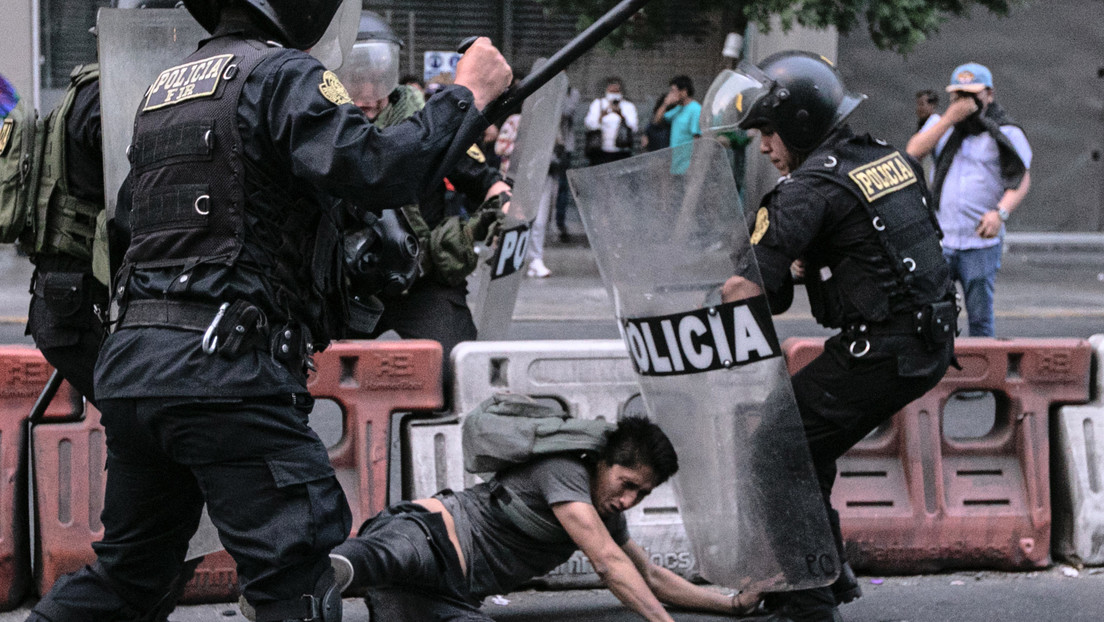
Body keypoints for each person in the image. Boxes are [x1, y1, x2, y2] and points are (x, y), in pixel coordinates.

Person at [26, 0, 512, 620]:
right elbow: (378, 169)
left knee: (130, 577)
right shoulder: (281, 73)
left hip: (137, 368)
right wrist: (467, 95)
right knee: (295, 581)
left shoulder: (165, 91)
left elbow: (127, 229)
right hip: (226, 372)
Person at [714, 51, 955, 622]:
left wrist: (709, 341)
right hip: (931, 340)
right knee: (804, 442)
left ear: (798, 125)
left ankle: (810, 606)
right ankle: (824, 572)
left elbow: (743, 290)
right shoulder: (885, 157)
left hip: (882, 351)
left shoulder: (806, 189)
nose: (764, 148)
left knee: (774, 449)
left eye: (768, 132)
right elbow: (874, 245)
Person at [329, 416, 761, 621]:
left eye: (642, 494)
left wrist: (730, 604)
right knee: (388, 556)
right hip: (430, 533)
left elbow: (648, 575)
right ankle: (316, 573)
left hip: (450, 595)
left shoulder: (605, 516)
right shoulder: (564, 472)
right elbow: (609, 564)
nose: (629, 500)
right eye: (626, 484)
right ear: (602, 463)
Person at [338, 10, 513, 371]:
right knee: (293, 373)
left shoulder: (428, 123)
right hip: (344, 286)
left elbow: (484, 180)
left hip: (424, 279)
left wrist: (505, 207)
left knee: (458, 371)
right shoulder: (324, 129)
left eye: (377, 80)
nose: (367, 94)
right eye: (355, 80)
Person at [906, 62, 1031, 337]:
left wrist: (1000, 214)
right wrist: (949, 119)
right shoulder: (941, 126)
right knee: (930, 312)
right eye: (959, 95)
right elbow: (912, 152)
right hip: (942, 238)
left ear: (989, 94)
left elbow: (1021, 178)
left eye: (972, 95)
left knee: (980, 316)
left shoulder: (1006, 131)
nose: (965, 102)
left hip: (980, 242)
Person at [584, 77, 638, 165]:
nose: (614, 94)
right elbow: (589, 124)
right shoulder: (598, 104)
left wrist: (621, 115)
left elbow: (633, 127)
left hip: (621, 152)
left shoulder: (628, 106)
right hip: (600, 152)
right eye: (611, 91)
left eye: (616, 91)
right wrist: (601, 116)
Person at [656, 75, 701, 175]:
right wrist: (665, 103)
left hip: (688, 166)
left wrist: (694, 165)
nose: (671, 94)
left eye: (674, 91)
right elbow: (657, 120)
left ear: (684, 91)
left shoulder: (695, 109)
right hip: (676, 164)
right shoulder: (678, 109)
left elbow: (697, 139)